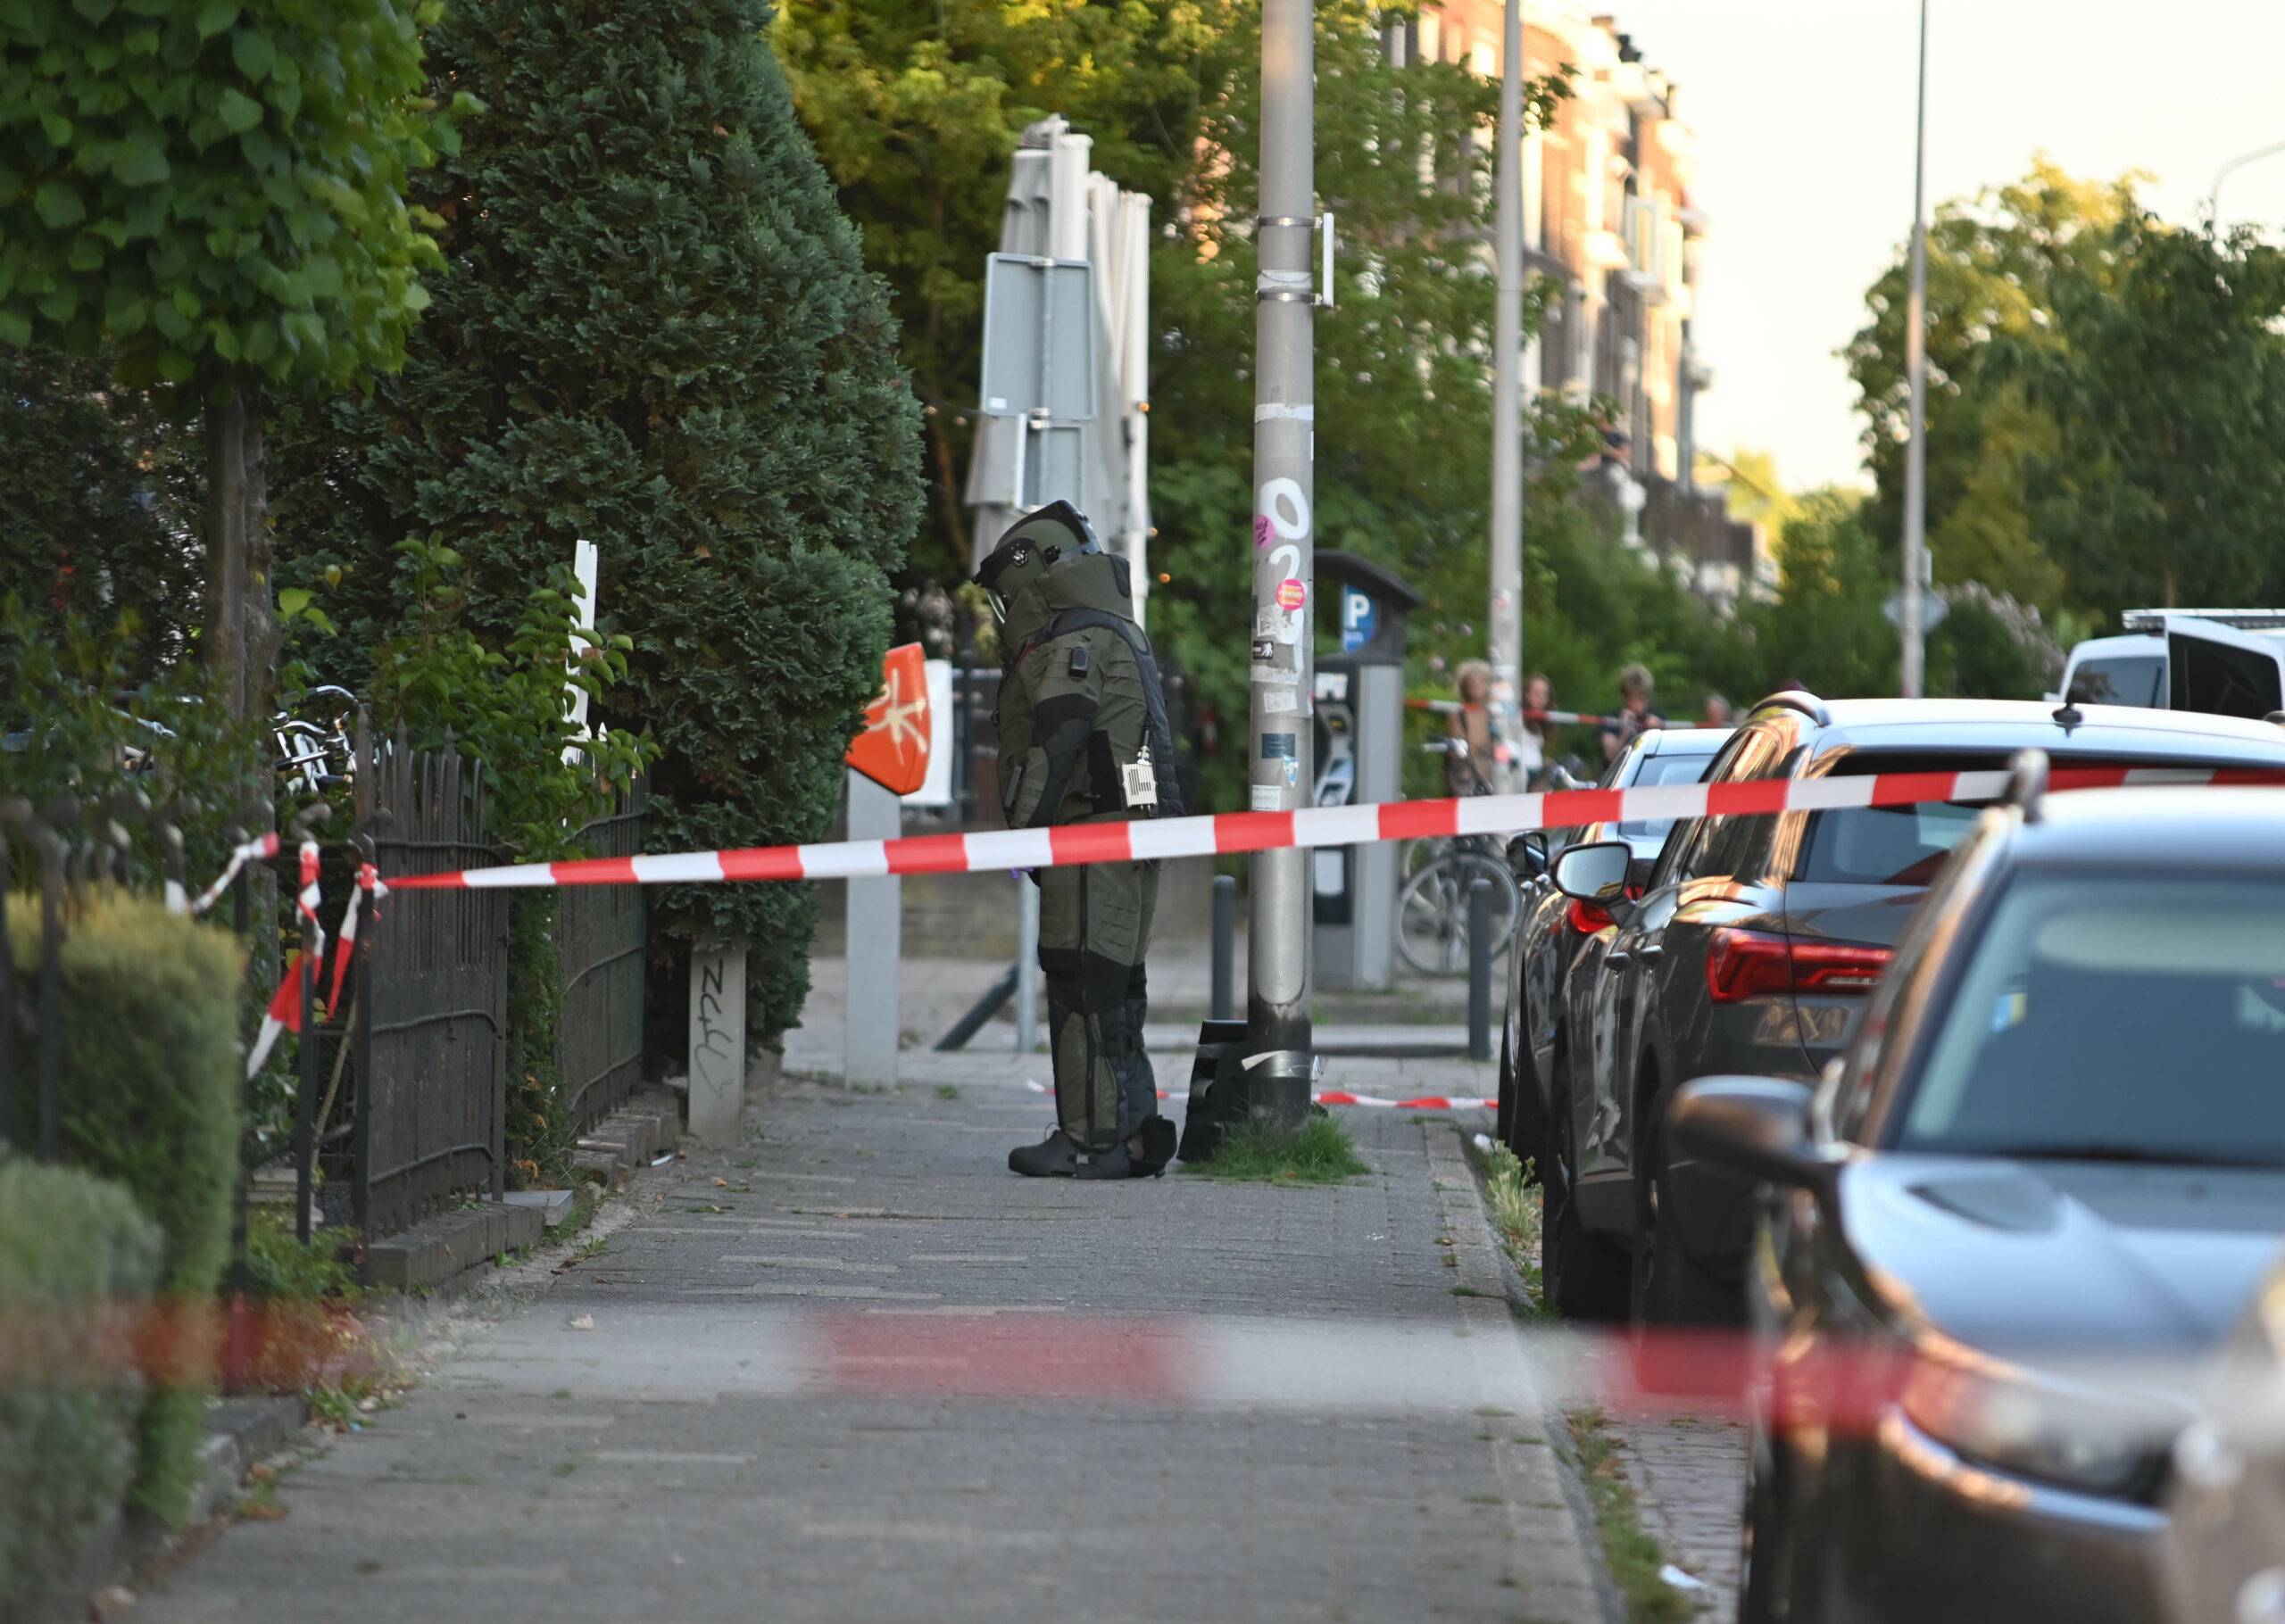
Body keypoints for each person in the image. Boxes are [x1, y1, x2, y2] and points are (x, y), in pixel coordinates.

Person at [976, 501, 1182, 1180]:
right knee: (1114, 989)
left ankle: (1091, 1142)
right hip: (1125, 837)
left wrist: (1023, 838)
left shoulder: (1072, 643)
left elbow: (1059, 743)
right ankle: (1128, 1138)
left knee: (1082, 985)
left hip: (1092, 842)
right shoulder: (1120, 629)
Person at [1445, 660, 1496, 796]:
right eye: (1472, 682)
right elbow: (1458, 745)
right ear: (1464, 686)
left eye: (1481, 682)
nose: (1476, 686)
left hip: (1492, 775)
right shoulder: (1457, 713)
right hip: (1465, 777)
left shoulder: (1494, 714)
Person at [1599, 663, 1666, 763]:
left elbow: (1669, 756)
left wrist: (1659, 732)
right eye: (1633, 700)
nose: (1638, 706)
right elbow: (1610, 756)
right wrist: (1624, 732)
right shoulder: (1612, 720)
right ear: (1623, 697)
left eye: (1642, 700)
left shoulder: (1659, 718)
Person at [1520, 672, 1555, 789]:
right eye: (1536, 693)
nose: (1541, 698)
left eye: (1544, 694)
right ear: (1526, 694)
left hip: (1536, 772)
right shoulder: (1517, 718)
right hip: (1521, 774)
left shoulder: (1543, 721)